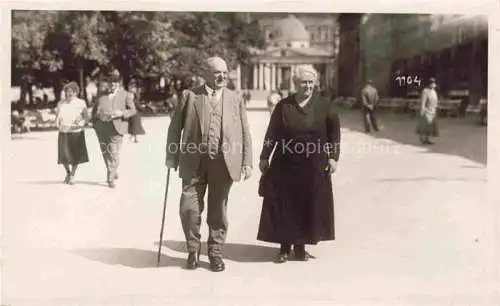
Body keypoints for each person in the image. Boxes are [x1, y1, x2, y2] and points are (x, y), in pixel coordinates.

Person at [166, 56, 253, 272]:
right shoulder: (189, 96)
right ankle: (193, 249)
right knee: (189, 208)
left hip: (223, 163)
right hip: (193, 162)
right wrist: (171, 156)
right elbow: (175, 128)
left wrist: (247, 161)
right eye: (217, 73)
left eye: (225, 72)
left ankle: (215, 252)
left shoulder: (235, 98)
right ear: (205, 74)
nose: (222, 76)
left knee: (218, 211)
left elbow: (244, 132)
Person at [257, 65, 341, 263]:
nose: (308, 86)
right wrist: (264, 156)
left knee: (307, 204)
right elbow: (272, 133)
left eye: (311, 82)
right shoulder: (283, 106)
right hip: (285, 163)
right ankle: (285, 247)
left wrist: (333, 157)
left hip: (313, 165)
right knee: (286, 204)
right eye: (304, 82)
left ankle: (301, 246)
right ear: (295, 83)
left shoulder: (324, 105)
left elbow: (334, 134)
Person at [92, 70, 137, 188]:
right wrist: (95, 121)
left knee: (113, 152)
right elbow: (95, 110)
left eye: (115, 83)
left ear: (119, 84)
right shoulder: (101, 94)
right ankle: (112, 169)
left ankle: (110, 176)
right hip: (102, 127)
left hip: (117, 128)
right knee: (105, 152)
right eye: (111, 83)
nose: (113, 85)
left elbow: (133, 110)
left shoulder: (126, 95)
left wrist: (121, 113)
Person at [55, 82, 90, 185]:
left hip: (76, 132)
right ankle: (68, 172)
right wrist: (57, 122)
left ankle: (72, 175)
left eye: (71, 92)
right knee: (63, 156)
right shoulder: (60, 103)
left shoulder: (81, 103)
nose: (68, 94)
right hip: (64, 131)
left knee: (75, 156)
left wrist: (81, 121)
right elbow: (57, 117)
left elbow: (87, 117)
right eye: (67, 91)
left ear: (75, 93)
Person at [416, 78, 439, 145]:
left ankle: (427, 139)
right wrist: (422, 108)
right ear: (429, 84)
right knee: (425, 125)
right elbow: (423, 100)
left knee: (431, 126)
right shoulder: (425, 91)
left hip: (433, 110)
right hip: (427, 110)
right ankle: (421, 137)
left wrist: (436, 107)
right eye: (431, 83)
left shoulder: (434, 92)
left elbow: (435, 101)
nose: (433, 84)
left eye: (434, 83)